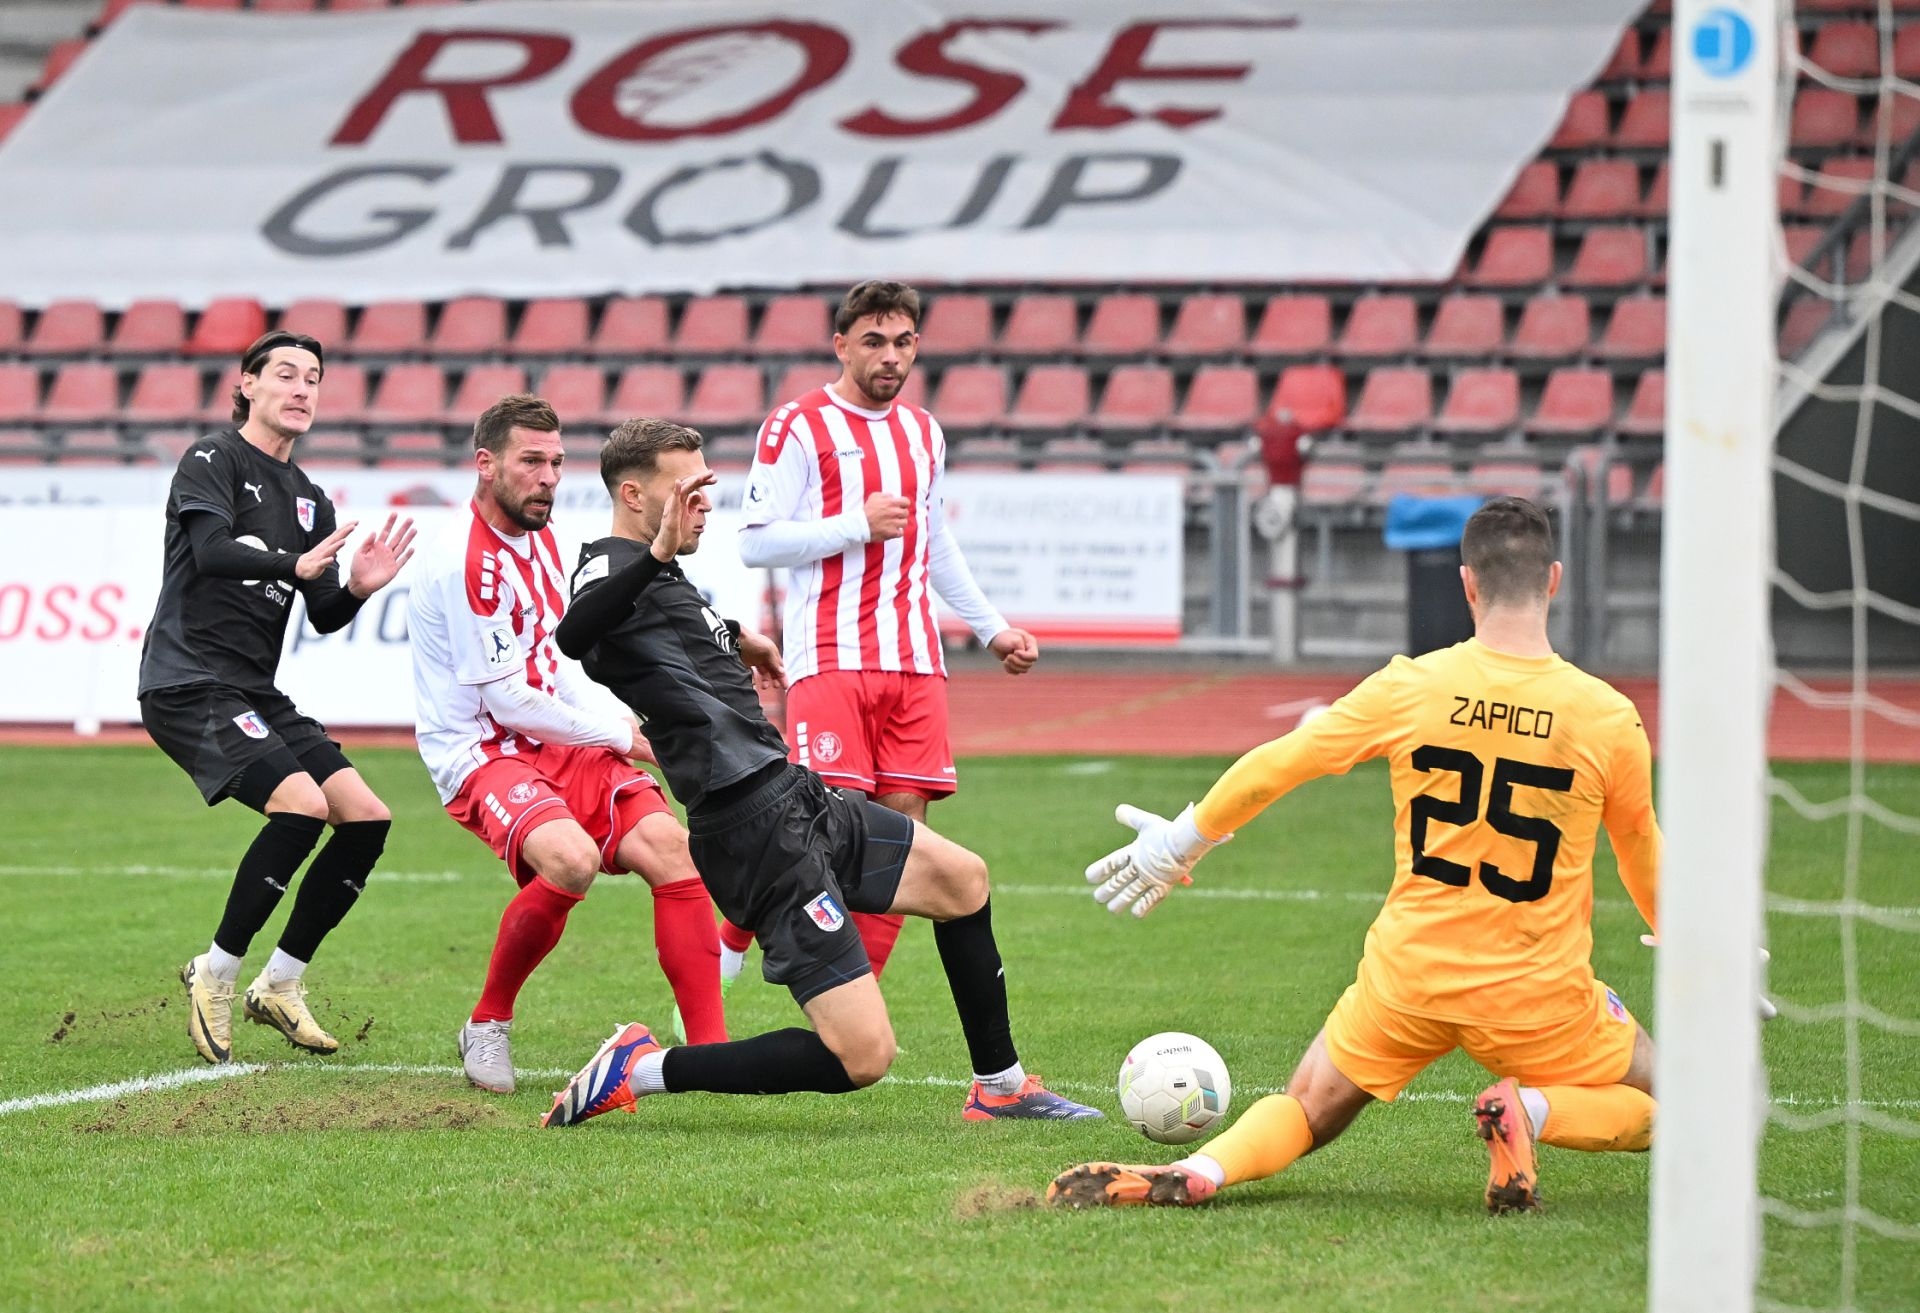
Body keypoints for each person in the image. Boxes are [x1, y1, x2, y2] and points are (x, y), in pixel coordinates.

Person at [1048, 497, 1662, 1214]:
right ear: (1553, 579)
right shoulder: (1605, 715)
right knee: (1673, 1099)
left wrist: (1184, 839)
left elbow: (1283, 762)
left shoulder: (1412, 686)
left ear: (1467, 583)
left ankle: (1204, 1166)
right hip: (1536, 991)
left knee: (1309, 1107)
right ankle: (1528, 1111)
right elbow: (1639, 846)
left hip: (1409, 975)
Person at [537, 417, 1097, 1125]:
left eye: (707, 488)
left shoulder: (658, 575)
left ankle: (1001, 1086)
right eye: (687, 490)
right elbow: (575, 632)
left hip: (791, 793)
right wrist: (657, 553)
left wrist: (738, 637)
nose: (703, 504)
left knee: (963, 879)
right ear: (633, 494)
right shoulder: (610, 565)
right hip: (752, 828)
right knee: (863, 1056)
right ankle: (641, 1069)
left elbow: (669, 636)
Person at [406, 395, 724, 1095]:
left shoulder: (542, 535)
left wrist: (625, 721)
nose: (548, 478)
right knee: (571, 859)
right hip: (482, 748)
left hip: (552, 732)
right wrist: (625, 736)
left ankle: (713, 1054)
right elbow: (505, 700)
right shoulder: (467, 562)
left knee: (672, 849)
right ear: (485, 464)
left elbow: (555, 661)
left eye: (556, 462)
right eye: (531, 462)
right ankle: (487, 1022)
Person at [725, 278, 1038, 988]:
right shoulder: (798, 425)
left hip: (916, 663)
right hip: (830, 657)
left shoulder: (924, 432)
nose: (890, 356)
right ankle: (736, 929)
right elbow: (755, 542)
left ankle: (855, 1000)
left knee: (905, 847)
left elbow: (933, 540)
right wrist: (855, 525)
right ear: (842, 345)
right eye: (873, 341)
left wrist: (991, 629)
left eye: (902, 342)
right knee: (824, 833)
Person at [142, 329, 415, 1063]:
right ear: (248, 384)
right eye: (286, 374)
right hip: (188, 680)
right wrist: (295, 564)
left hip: (255, 690)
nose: (302, 389)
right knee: (301, 805)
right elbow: (210, 552)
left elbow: (322, 612)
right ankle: (215, 972)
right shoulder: (213, 459)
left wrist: (357, 587)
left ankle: (281, 982)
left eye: (313, 378)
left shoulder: (310, 499)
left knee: (366, 817)